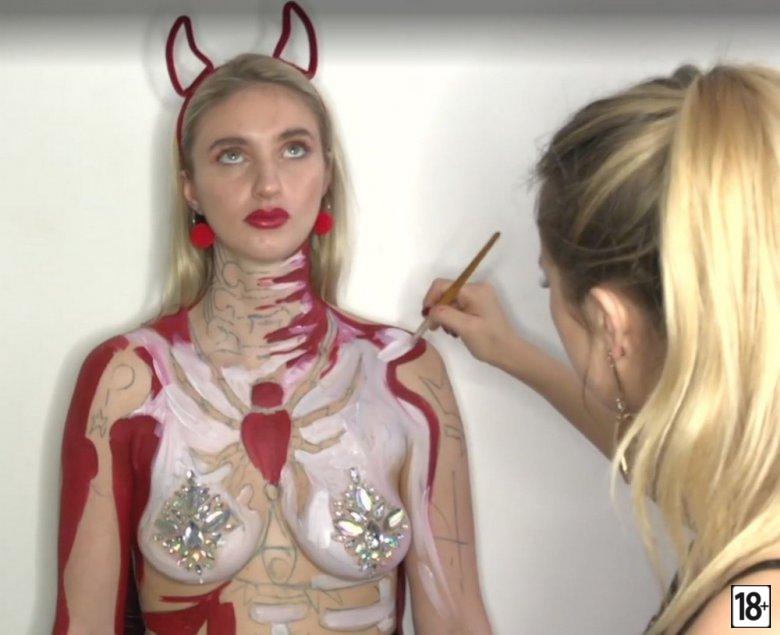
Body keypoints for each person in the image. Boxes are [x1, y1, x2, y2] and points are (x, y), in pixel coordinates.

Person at [53, 4, 491, 634]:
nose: (267, 184)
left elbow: (457, 618)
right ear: (190, 186)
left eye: (293, 149)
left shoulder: (403, 374)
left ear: (327, 174)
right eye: (232, 156)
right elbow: (83, 625)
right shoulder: (130, 379)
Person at [423, 62, 780, 634]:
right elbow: (685, 480)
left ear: (610, 323)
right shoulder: (757, 491)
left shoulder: (746, 614)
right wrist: (514, 353)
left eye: (547, 282)